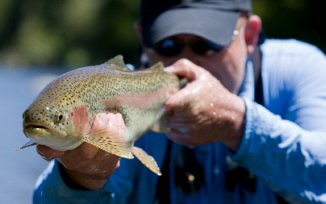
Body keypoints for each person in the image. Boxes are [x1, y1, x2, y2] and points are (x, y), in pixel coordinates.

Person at [33, 0, 326, 203]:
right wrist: (79, 179)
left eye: (206, 44)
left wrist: (238, 124)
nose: (186, 61)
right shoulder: (124, 95)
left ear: (249, 36)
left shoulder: (300, 70)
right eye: (168, 45)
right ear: (143, 40)